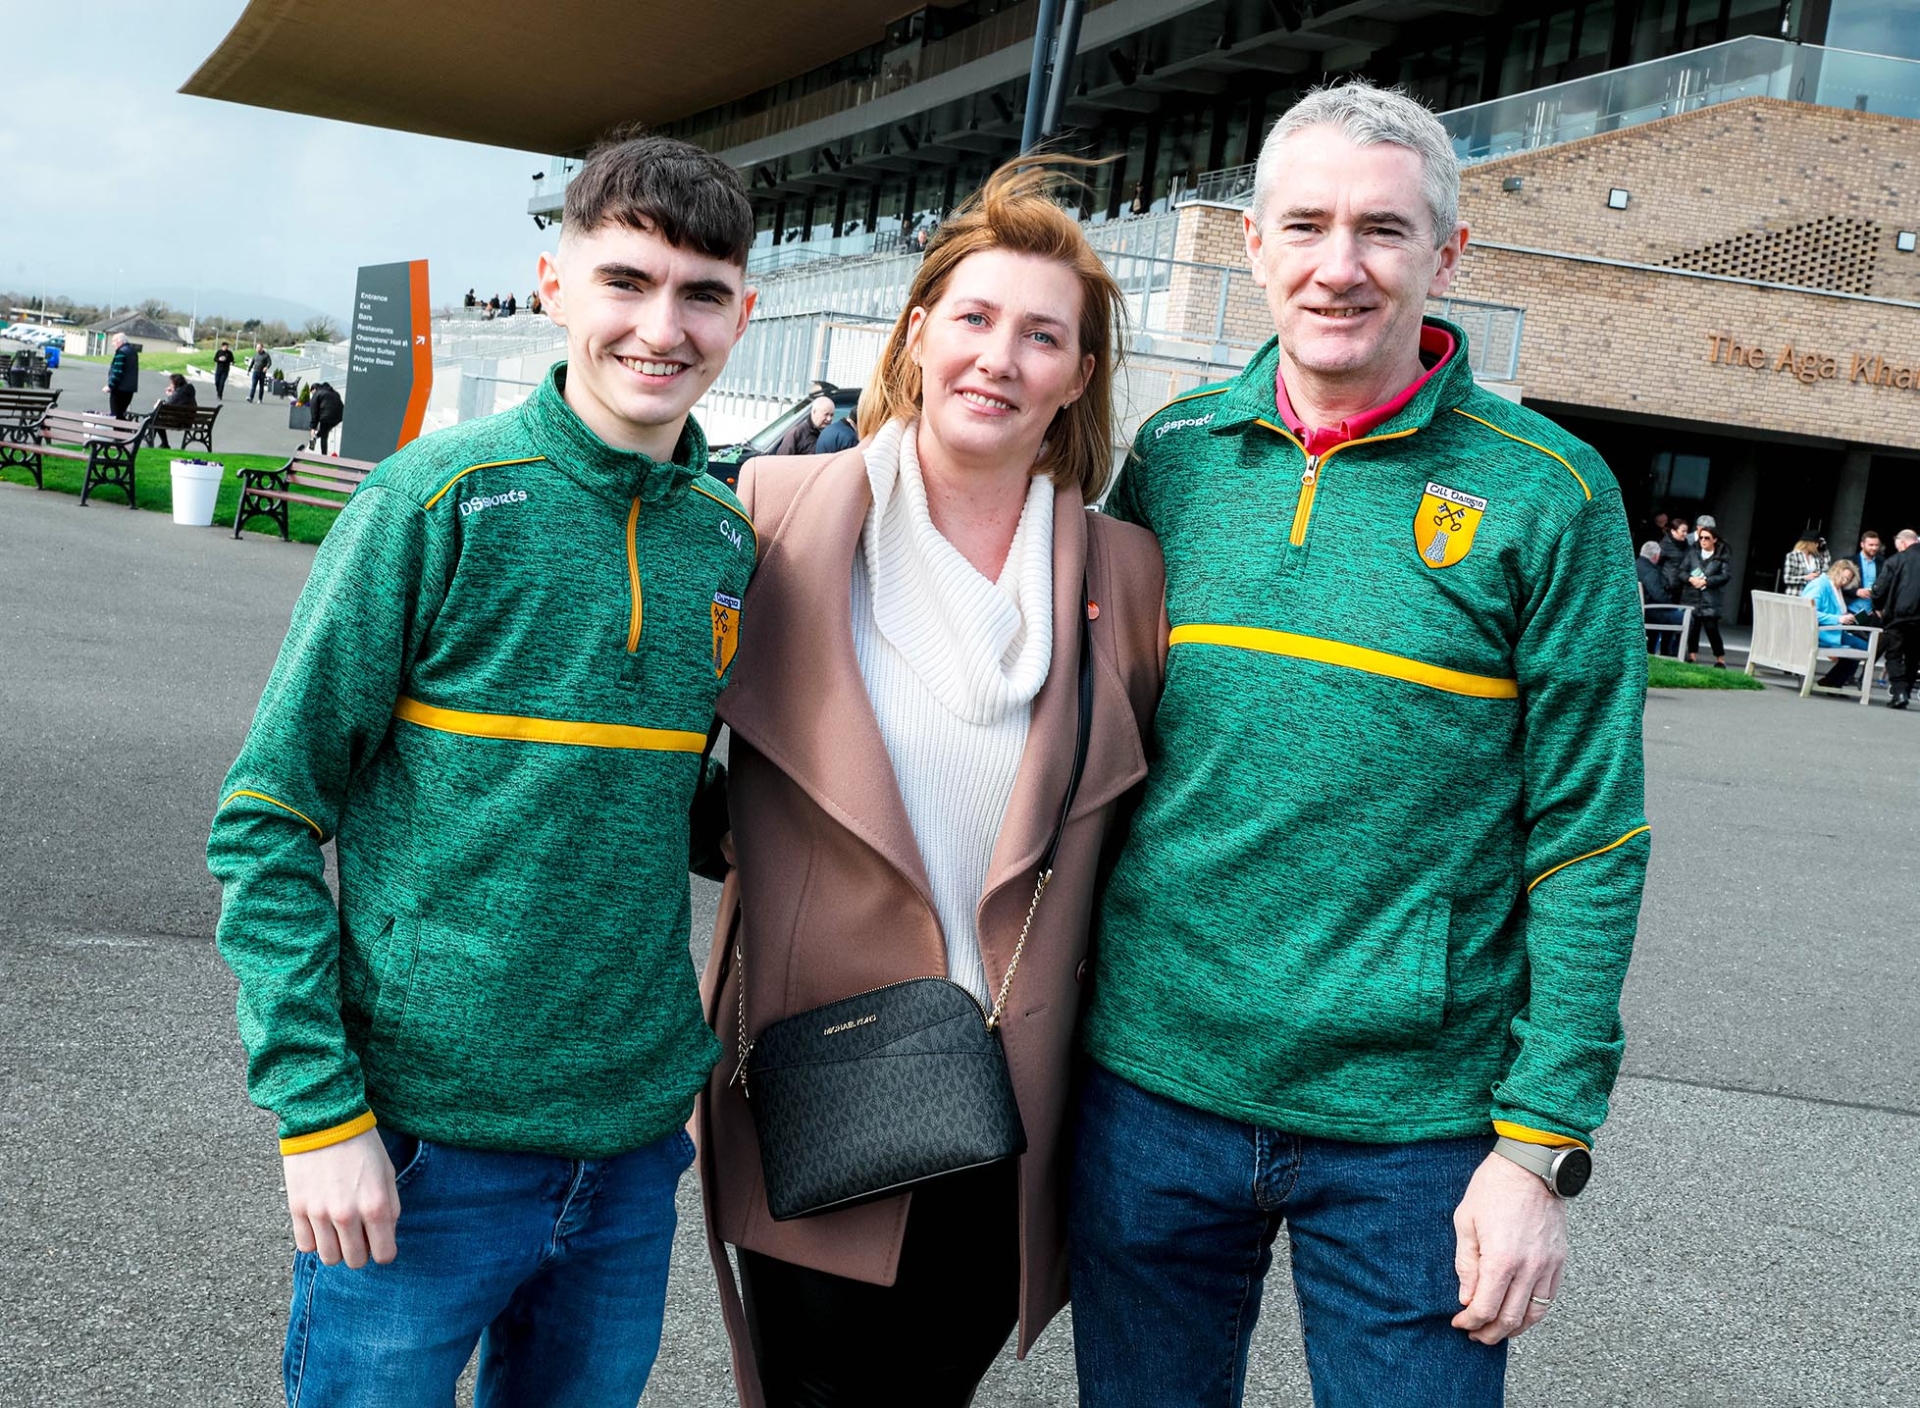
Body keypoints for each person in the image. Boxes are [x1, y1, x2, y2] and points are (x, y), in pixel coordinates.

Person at [1072, 80, 1650, 1408]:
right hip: (1150, 1095)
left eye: (1384, 231)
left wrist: (1541, 1144)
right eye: (1308, 225)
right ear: (1256, 244)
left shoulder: (1548, 493)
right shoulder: (1174, 458)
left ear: (1449, 256)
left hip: (1417, 1135)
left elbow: (1591, 835)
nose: (1341, 268)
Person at [206, 132, 758, 1408]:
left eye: (700, 294)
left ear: (743, 312)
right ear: (555, 283)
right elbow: (268, 817)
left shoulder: (727, 539)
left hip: (626, 1158)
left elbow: (662, 802)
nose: (659, 326)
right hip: (415, 1149)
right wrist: (319, 1113)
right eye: (626, 281)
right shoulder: (434, 503)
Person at [696, 158, 1167, 1408]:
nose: (998, 357)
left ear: (1075, 376)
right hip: (818, 1076)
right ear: (917, 332)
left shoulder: (1124, 575)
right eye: (972, 317)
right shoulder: (778, 512)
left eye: (1040, 335)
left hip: (1007, 1092)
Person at [1871, 528, 1920, 708]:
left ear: (1903, 542)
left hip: (1899, 615)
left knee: (1894, 654)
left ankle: (1899, 693)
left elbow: (1879, 588)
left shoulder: (1896, 560)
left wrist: (1877, 607)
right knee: (1913, 656)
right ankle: (1905, 692)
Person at [1804, 559, 1870, 688]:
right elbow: (1808, 612)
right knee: (1862, 648)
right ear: (1835, 572)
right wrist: (1838, 619)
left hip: (1830, 630)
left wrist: (1845, 618)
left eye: (1848, 580)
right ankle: (1833, 681)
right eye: (1843, 578)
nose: (1844, 582)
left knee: (1861, 646)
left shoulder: (1834, 586)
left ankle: (1832, 681)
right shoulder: (1820, 585)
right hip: (1821, 632)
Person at [1681, 524, 1733, 667]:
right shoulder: (1693, 553)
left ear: (1714, 539)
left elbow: (1726, 575)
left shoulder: (1721, 556)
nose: (1703, 541)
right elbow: (1682, 571)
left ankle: (1720, 658)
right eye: (1701, 538)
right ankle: (1692, 656)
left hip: (1711, 598)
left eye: (1707, 538)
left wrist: (1707, 581)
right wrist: (1691, 579)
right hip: (1692, 596)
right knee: (1693, 628)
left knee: (1711, 629)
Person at [1636, 540, 1682, 656]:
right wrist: (1670, 605)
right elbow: (1658, 596)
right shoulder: (1651, 572)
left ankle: (1653, 650)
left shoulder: (1634, 565)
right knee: (1683, 617)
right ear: (1656, 556)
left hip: (1636, 610)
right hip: (1649, 611)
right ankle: (1669, 652)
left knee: (1669, 616)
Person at [147, 372, 197, 448]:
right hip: (187, 421)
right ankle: (164, 444)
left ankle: (156, 443)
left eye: (171, 383)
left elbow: (166, 406)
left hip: (178, 422)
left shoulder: (179, 393)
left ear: (176, 383)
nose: (170, 385)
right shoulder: (188, 391)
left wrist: (169, 396)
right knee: (155, 418)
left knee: (154, 419)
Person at [104, 332, 139, 420]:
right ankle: (126, 431)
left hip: (119, 389)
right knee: (121, 414)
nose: (112, 344)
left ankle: (121, 432)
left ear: (120, 341)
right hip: (129, 389)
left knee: (115, 415)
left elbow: (118, 371)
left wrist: (110, 386)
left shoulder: (121, 352)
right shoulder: (133, 352)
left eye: (113, 342)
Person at [1851, 529, 1883, 615]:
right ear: (1862, 544)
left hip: (1872, 611)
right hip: (1851, 610)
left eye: (1877, 545)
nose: (1874, 548)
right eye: (1871, 545)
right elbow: (1839, 584)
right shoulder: (1850, 561)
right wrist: (1856, 591)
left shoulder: (1882, 563)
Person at [307, 380, 344, 454]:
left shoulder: (317, 394)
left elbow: (314, 412)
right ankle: (315, 437)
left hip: (326, 416)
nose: (312, 394)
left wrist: (312, 428)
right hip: (339, 416)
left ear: (314, 389)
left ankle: (324, 456)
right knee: (325, 430)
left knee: (324, 436)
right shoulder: (334, 393)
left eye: (311, 392)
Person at [1657, 515, 1691, 597]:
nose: (1685, 534)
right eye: (1683, 531)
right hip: (1668, 587)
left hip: (1682, 586)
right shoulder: (1664, 546)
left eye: (1686, 531)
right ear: (1673, 531)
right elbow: (1656, 565)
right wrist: (1664, 583)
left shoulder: (1686, 544)